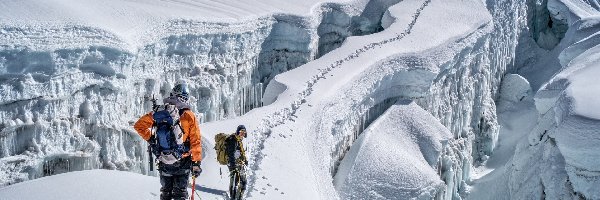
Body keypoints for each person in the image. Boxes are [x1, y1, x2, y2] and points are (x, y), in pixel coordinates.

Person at [134, 83, 203, 200]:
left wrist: (151, 139)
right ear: (185, 97)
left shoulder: (160, 112)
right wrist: (196, 163)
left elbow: (139, 126)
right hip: (183, 161)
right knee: (180, 194)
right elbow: (195, 141)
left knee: (166, 194)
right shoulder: (189, 115)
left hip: (164, 161)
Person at [225, 125, 248, 199]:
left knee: (239, 182)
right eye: (241, 132)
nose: (242, 134)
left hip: (237, 163)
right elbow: (230, 153)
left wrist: (244, 160)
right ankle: (234, 198)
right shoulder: (233, 140)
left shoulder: (238, 140)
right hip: (234, 164)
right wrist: (233, 166)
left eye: (244, 132)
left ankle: (236, 197)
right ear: (238, 132)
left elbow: (239, 152)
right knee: (237, 182)